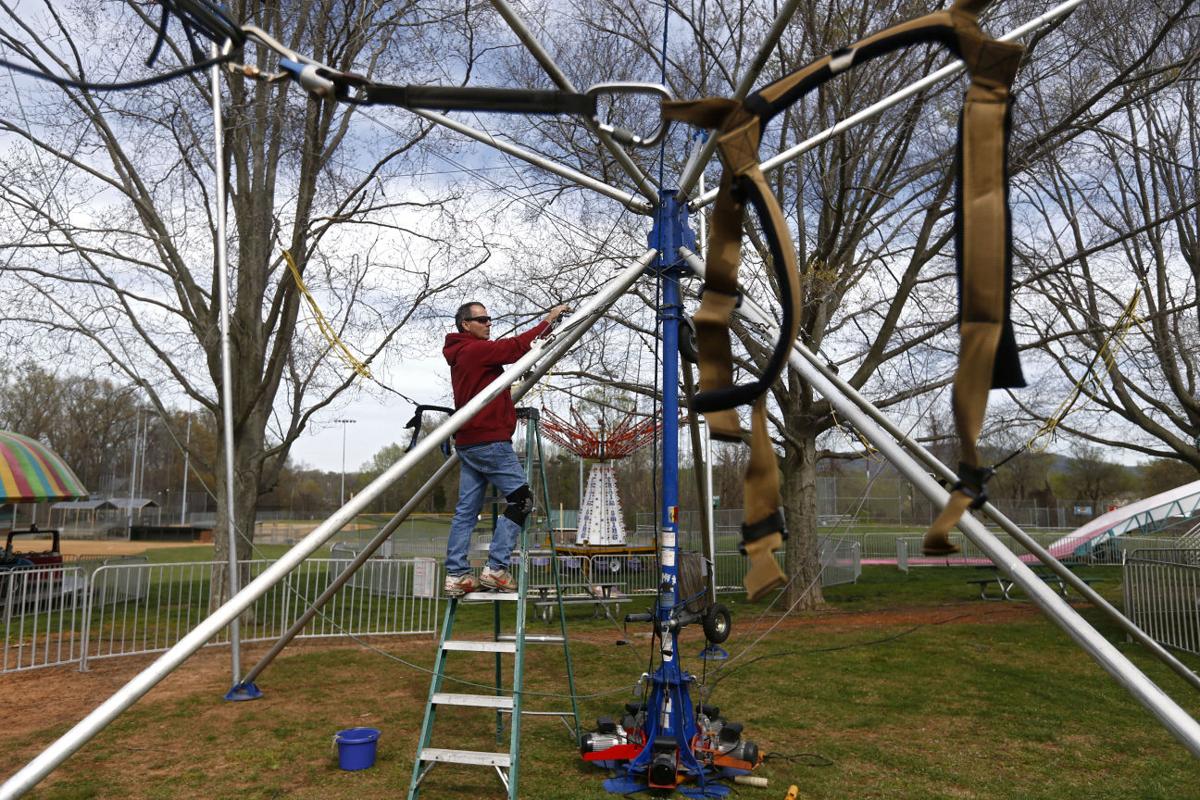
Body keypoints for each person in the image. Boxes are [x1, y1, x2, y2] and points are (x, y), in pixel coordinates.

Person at [442, 301, 570, 596]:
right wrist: (548, 322)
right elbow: (515, 347)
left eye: (490, 319)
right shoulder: (474, 351)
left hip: (469, 442)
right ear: (466, 324)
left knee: (466, 511)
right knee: (522, 501)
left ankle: (456, 574)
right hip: (490, 441)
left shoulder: (462, 354)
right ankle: (496, 568)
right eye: (482, 319)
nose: (489, 324)